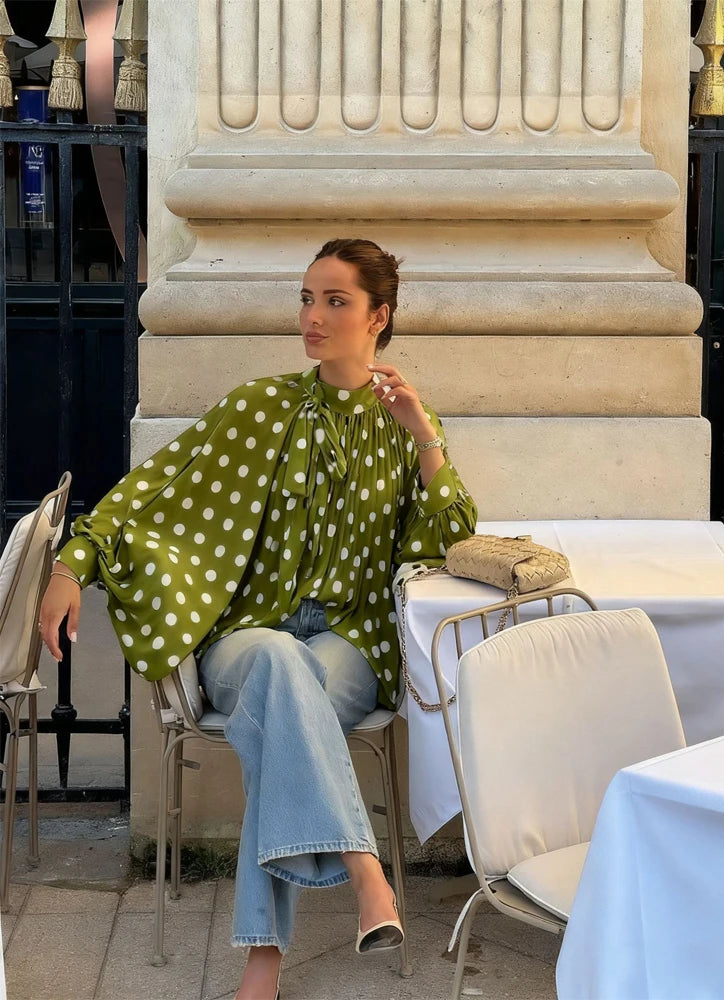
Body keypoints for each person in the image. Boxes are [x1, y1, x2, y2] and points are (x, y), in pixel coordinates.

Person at [39, 238, 477, 1000]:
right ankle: (365, 871)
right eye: (307, 298)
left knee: (284, 709)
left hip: (349, 641)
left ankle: (263, 963)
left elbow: (451, 536)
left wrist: (423, 436)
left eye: (335, 301)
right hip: (248, 636)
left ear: (378, 317)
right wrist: (72, 565)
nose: (313, 316)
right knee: (276, 663)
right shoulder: (260, 409)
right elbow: (153, 489)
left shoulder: (407, 425)